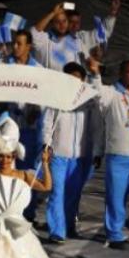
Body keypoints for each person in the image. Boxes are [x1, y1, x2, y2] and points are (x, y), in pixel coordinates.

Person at [87, 57, 129, 248]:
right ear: (121, 73)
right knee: (115, 196)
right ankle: (114, 234)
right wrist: (95, 73)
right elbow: (96, 92)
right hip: (118, 156)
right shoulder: (111, 94)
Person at [42, 62, 100, 243]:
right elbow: (46, 124)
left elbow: (97, 128)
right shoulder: (55, 99)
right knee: (57, 192)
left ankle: (69, 226)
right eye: (69, 79)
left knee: (73, 193)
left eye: (77, 80)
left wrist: (97, 151)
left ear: (82, 81)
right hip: (58, 154)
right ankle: (56, 231)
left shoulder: (89, 101)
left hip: (80, 156)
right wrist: (46, 145)